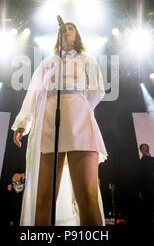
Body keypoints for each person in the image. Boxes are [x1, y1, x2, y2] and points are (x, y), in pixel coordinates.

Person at [12, 22, 107, 226]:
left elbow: (97, 91)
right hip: (49, 127)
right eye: (63, 28)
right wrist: (23, 122)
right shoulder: (47, 62)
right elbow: (33, 92)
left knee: (87, 198)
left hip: (80, 126)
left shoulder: (88, 61)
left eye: (71, 28)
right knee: (44, 198)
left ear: (77, 36)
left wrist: (78, 107)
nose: (66, 30)